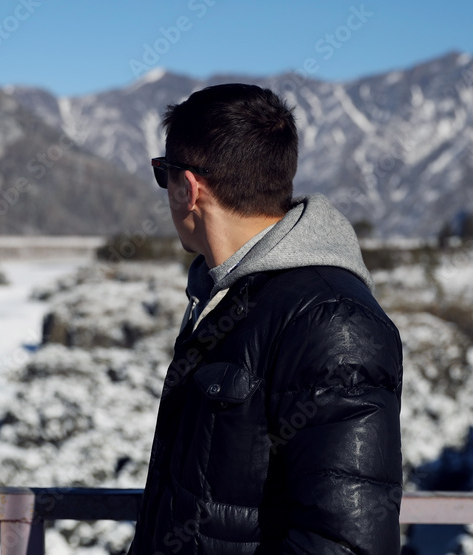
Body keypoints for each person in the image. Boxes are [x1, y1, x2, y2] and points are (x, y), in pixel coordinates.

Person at [127, 83, 403, 554]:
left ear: (189, 188)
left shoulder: (332, 320)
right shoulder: (230, 298)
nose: (166, 189)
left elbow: (345, 545)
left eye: (163, 173)